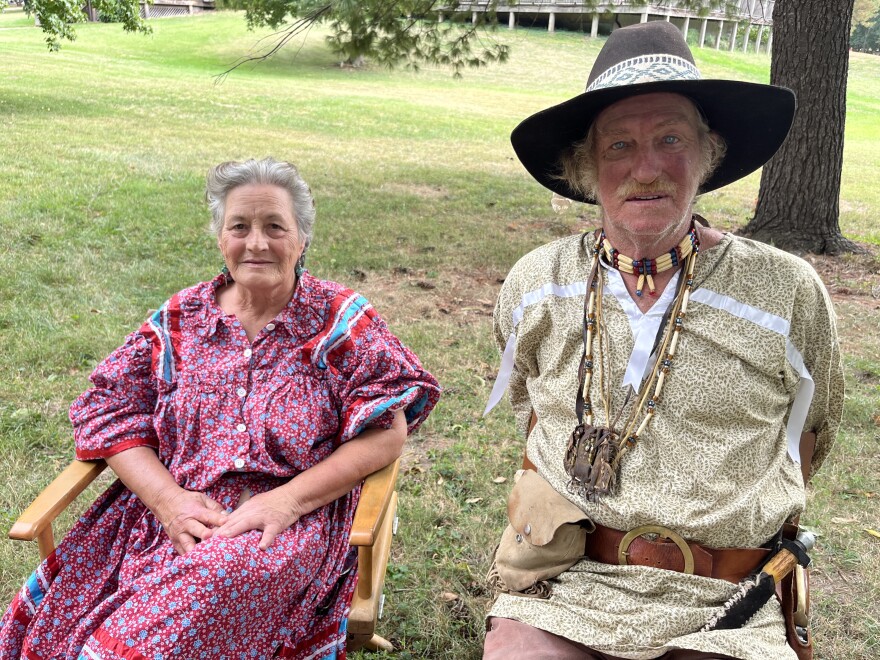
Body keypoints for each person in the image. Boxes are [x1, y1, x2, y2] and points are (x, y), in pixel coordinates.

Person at [482, 21, 843, 660]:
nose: (645, 169)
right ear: (586, 165)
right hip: (565, 584)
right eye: (619, 144)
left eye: (670, 138)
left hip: (728, 600)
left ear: (708, 152)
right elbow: (530, 407)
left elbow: (808, 436)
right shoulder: (535, 283)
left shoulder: (785, 289)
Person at [0, 158, 440, 659]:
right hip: (166, 512)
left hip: (286, 522)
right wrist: (168, 501)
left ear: (301, 239)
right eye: (240, 227)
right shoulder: (180, 318)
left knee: (155, 628)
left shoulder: (339, 320)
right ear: (220, 238)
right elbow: (111, 412)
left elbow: (386, 431)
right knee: (62, 623)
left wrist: (288, 502)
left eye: (275, 226)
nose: (256, 243)